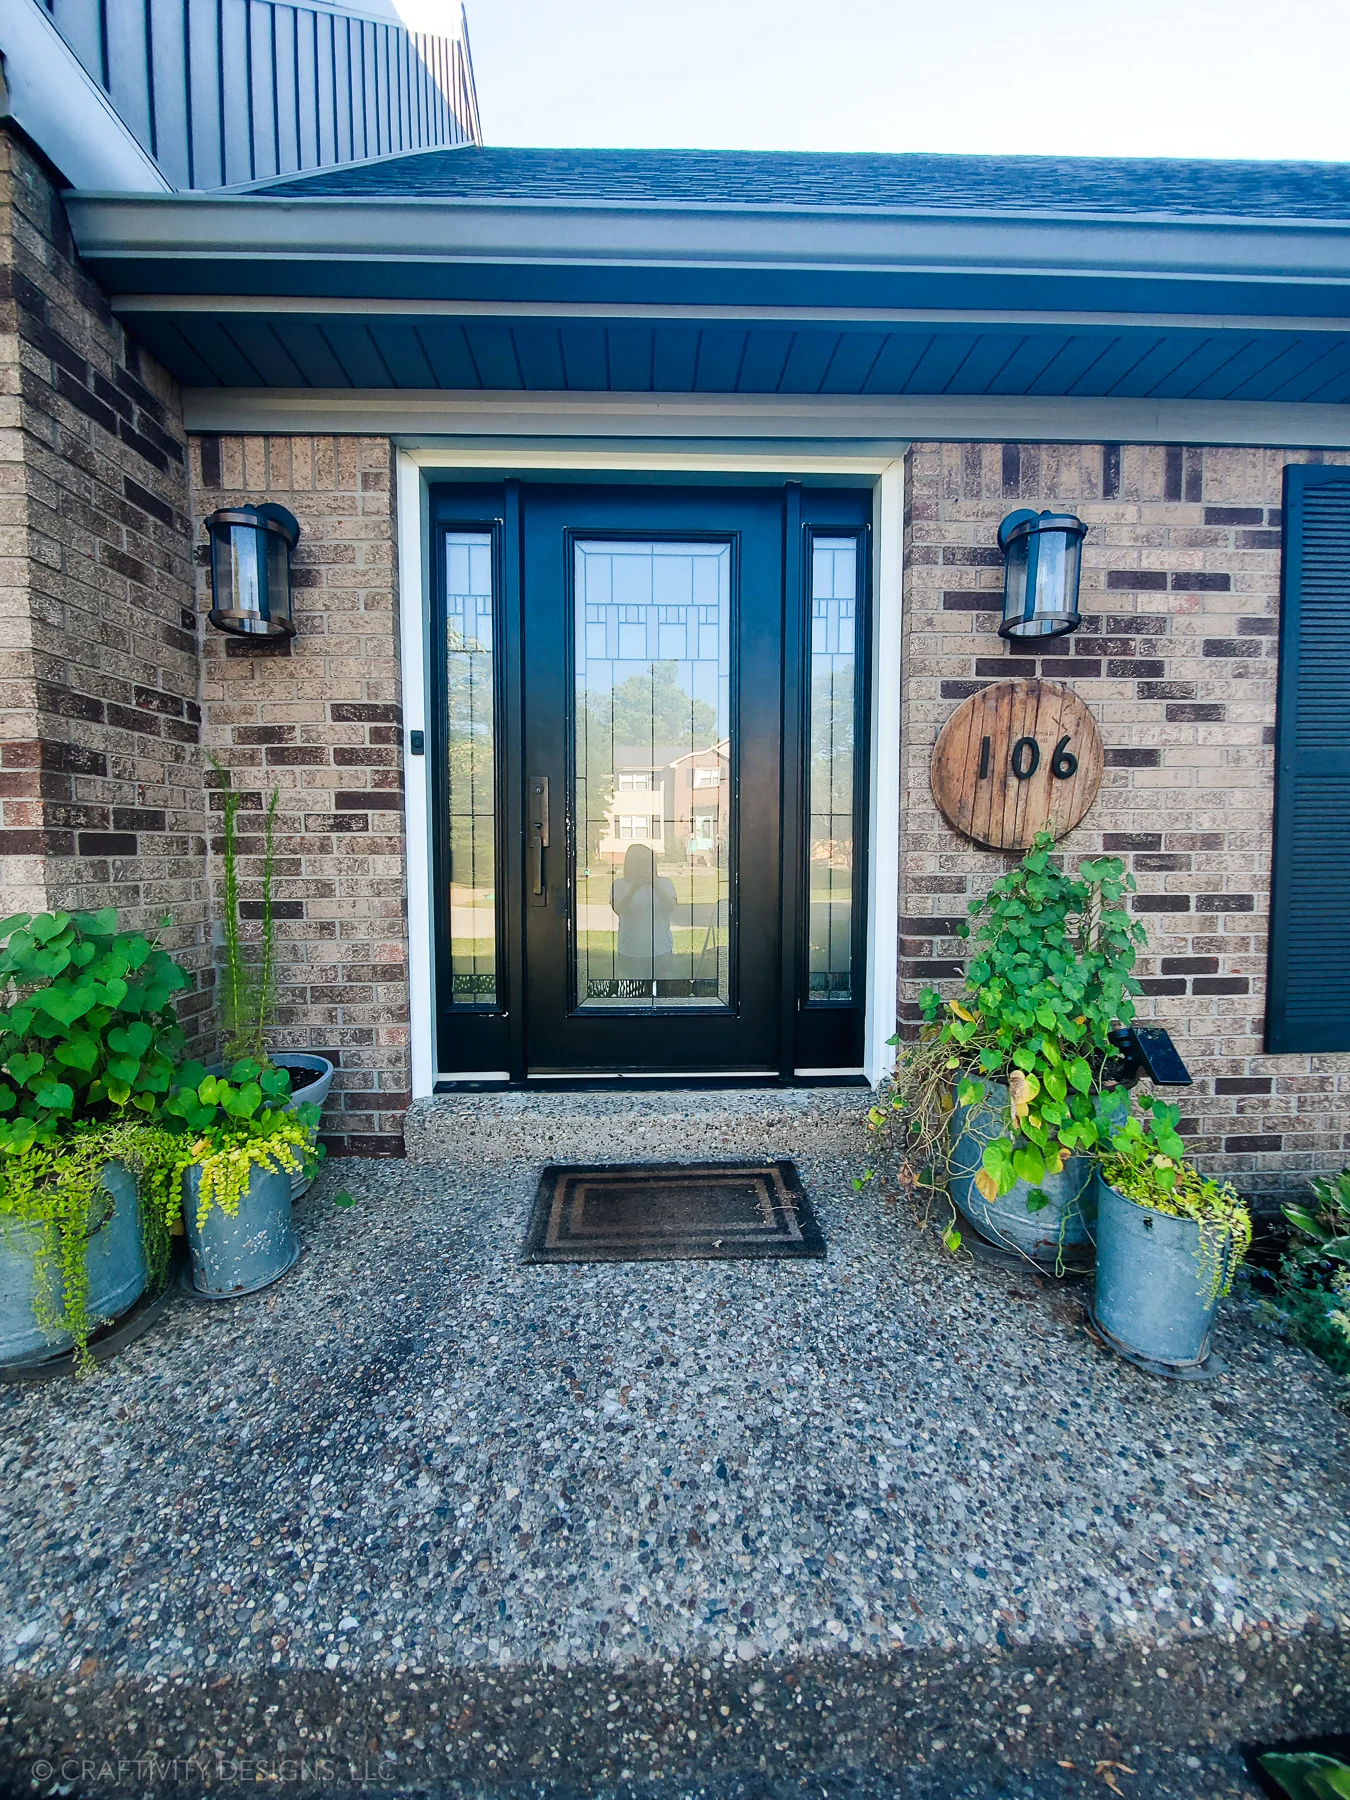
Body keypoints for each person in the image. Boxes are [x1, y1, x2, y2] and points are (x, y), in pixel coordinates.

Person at [611, 843, 679, 980]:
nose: (643, 866)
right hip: (631, 950)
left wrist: (656, 885)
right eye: (639, 862)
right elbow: (618, 909)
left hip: (661, 949)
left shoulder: (665, 883)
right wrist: (634, 888)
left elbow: (670, 907)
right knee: (634, 995)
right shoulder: (619, 884)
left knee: (662, 995)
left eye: (647, 861)